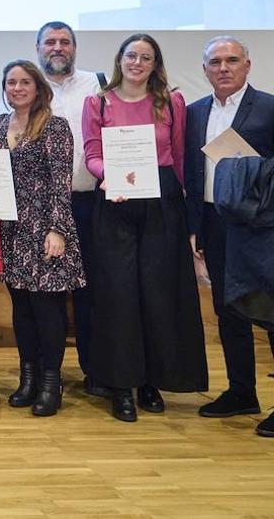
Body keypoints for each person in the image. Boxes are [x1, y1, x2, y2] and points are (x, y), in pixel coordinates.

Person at [82, 34, 207, 422]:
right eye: (131, 55)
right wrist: (111, 177)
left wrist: (190, 217)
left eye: (146, 57)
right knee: (119, 295)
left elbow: (182, 156)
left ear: (155, 64)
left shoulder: (171, 101)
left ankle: (152, 380)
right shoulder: (97, 102)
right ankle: (122, 384)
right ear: (120, 59)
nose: (137, 62)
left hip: (162, 204)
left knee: (157, 292)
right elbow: (92, 153)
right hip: (115, 202)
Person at [186, 35, 274, 435]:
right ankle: (242, 392)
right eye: (215, 62)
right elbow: (191, 172)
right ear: (205, 69)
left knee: (271, 314)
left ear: (247, 65)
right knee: (228, 310)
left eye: (231, 60)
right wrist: (193, 228)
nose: (223, 68)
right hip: (214, 221)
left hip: (260, 226)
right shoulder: (194, 112)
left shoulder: (270, 108)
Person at [0, 60, 85, 417]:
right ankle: (28, 377)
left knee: (48, 309)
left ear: (38, 87)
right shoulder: (0, 124)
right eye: (11, 82)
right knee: (22, 309)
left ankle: (51, 382)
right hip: (12, 229)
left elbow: (62, 183)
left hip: (45, 227)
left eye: (24, 81)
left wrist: (57, 229)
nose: (17, 87)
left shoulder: (55, 126)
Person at [36, 20, 107, 398]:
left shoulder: (97, 85)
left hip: (89, 200)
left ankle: (95, 370)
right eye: (50, 42)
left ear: (75, 48)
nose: (58, 47)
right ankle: (51, 374)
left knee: (90, 291)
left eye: (65, 41)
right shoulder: (27, 88)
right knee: (47, 295)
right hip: (43, 211)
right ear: (38, 48)